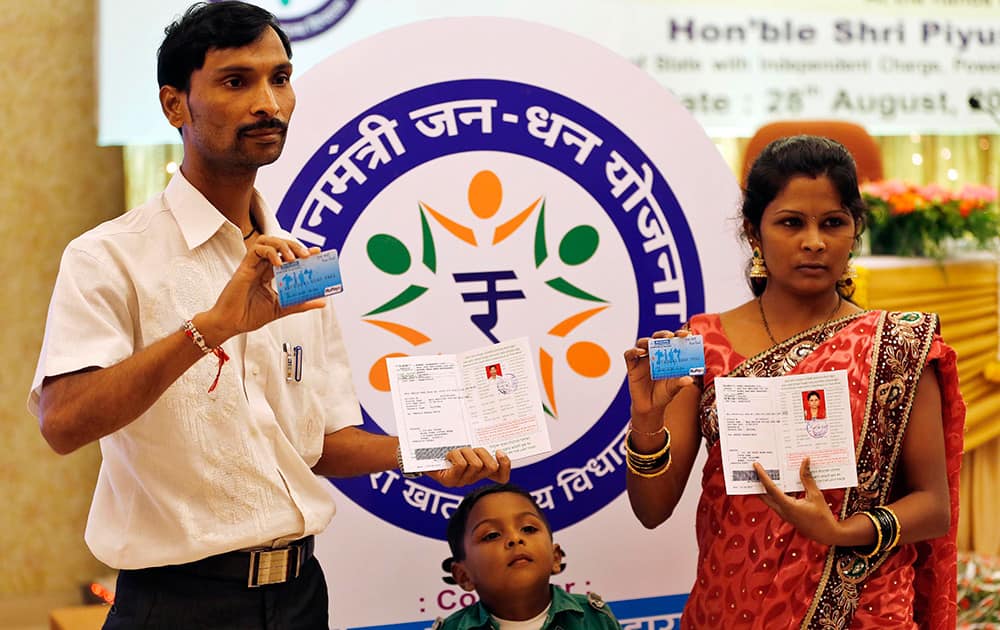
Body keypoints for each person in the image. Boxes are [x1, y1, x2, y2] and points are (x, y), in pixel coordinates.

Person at [28, 3, 509, 629]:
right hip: (178, 604)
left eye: (279, 78)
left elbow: (318, 443)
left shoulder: (301, 262)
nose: (269, 103)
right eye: (236, 82)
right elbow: (63, 423)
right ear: (176, 106)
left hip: (302, 595)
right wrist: (213, 327)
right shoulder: (108, 256)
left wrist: (423, 452)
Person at [623, 135, 964, 628]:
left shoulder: (898, 346)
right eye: (790, 223)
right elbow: (651, 510)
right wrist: (646, 420)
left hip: (862, 607)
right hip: (734, 603)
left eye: (833, 223)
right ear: (753, 233)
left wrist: (843, 530)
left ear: (855, 230)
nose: (814, 242)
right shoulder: (697, 344)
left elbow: (934, 507)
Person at [433, 483, 619, 630]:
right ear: (464, 576)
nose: (515, 538)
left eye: (528, 529)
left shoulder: (594, 618)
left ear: (555, 558)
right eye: (492, 535)